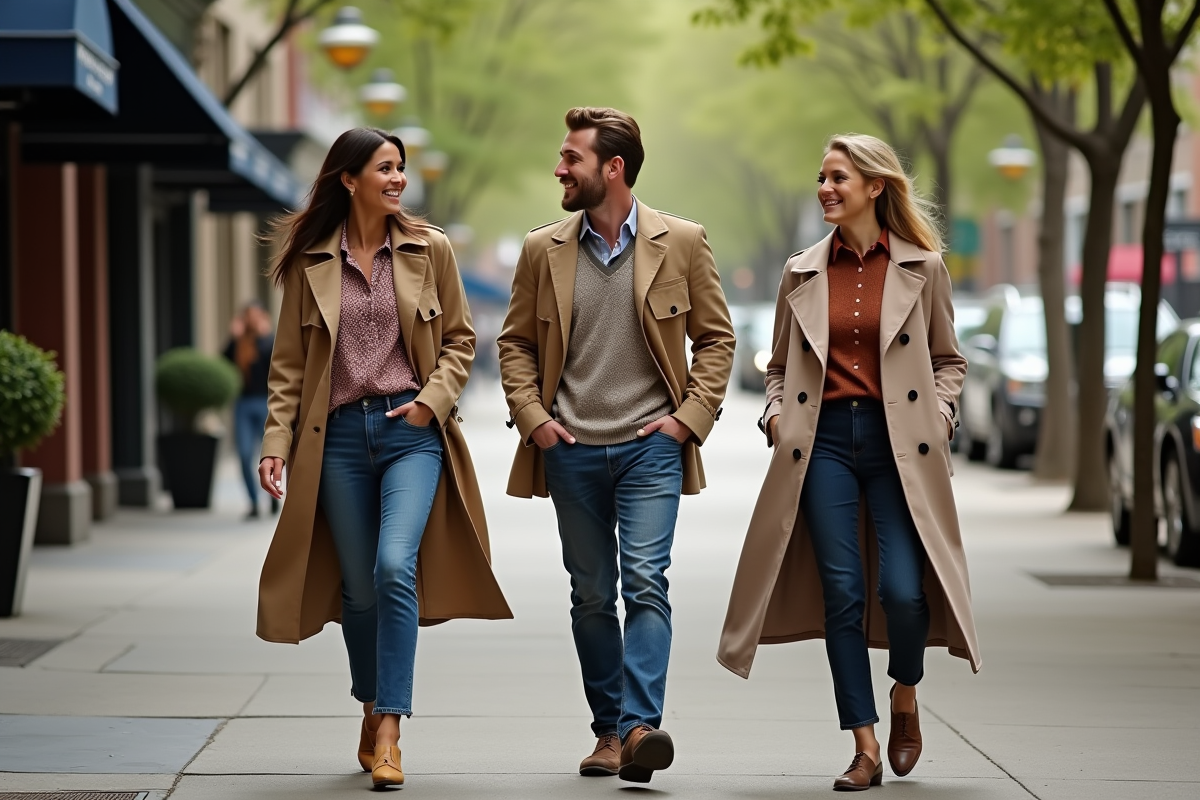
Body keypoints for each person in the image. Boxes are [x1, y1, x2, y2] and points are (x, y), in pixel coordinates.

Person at [717, 133, 981, 792]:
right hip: (823, 442)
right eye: (822, 177)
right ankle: (862, 745)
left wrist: (942, 416)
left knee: (903, 593)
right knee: (844, 593)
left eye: (839, 178)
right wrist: (775, 416)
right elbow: (777, 366)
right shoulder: (800, 270)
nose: (826, 188)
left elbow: (949, 361)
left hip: (901, 445)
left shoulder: (925, 268)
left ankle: (905, 693)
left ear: (875, 187)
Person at [254, 127, 512, 789]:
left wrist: (432, 401)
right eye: (385, 168)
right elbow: (287, 367)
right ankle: (370, 704)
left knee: (396, 565)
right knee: (360, 589)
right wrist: (275, 443)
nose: (398, 179)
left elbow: (459, 341)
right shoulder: (311, 258)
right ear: (349, 179)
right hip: (336, 439)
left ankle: (392, 726)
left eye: (401, 168)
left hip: (411, 434)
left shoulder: (433, 251)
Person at [498, 107, 735, 784]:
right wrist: (533, 416)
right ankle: (608, 730)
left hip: (650, 448)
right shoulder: (543, 249)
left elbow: (716, 339)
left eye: (570, 158)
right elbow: (514, 342)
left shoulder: (682, 242)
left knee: (647, 583)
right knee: (593, 594)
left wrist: (688, 418)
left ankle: (637, 728)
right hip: (569, 447)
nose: (558, 169)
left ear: (613, 169)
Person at [223, 301, 275, 519]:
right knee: (244, 454)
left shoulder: (269, 340)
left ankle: (273, 496)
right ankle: (253, 502)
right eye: (248, 316)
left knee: (270, 453)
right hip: (243, 404)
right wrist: (233, 338)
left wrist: (264, 338)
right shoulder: (239, 343)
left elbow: (276, 365)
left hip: (266, 402)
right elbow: (223, 363)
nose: (252, 320)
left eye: (256, 315)